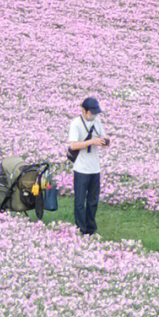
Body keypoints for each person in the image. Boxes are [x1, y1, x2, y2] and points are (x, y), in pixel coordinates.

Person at [68, 96, 109, 234]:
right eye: (92, 113)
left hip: (94, 168)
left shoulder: (97, 122)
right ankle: (81, 228)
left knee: (93, 201)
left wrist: (105, 141)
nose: (94, 115)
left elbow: (103, 137)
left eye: (96, 113)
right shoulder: (76, 124)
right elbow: (73, 145)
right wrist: (91, 142)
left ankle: (91, 229)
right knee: (80, 202)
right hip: (81, 168)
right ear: (83, 111)